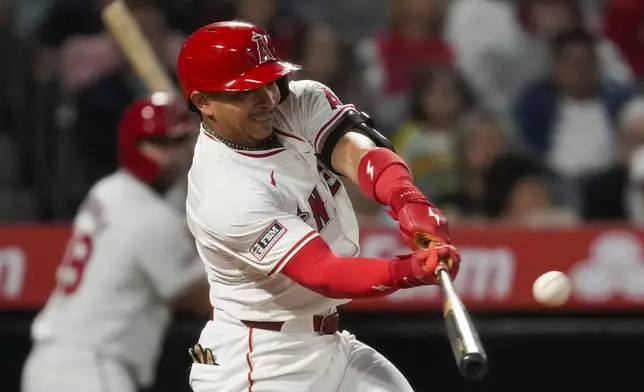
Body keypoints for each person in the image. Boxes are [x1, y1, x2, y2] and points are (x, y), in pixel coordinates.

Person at [178, 21, 462, 392]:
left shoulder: (297, 100)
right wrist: (406, 271)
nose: (266, 99)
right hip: (259, 360)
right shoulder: (224, 192)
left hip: (326, 340)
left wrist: (406, 198)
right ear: (203, 102)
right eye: (247, 91)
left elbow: (356, 151)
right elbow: (321, 271)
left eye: (269, 81)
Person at [21, 92, 211, 392]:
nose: (173, 155)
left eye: (180, 142)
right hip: (90, 368)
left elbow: (174, 200)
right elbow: (207, 301)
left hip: (51, 363)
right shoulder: (150, 219)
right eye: (161, 144)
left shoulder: (108, 190)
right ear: (132, 145)